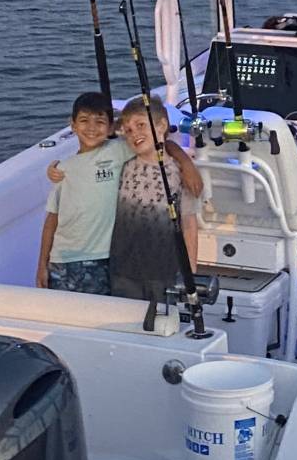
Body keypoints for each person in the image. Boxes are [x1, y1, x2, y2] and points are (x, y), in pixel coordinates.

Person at [36, 92, 200, 294]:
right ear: (73, 125)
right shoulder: (65, 168)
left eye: (100, 121)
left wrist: (186, 163)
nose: (92, 128)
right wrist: (41, 264)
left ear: (111, 127)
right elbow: (52, 218)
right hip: (81, 263)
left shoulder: (121, 152)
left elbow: (161, 143)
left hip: (128, 263)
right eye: (84, 121)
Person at [109, 96, 200, 302]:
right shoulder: (123, 159)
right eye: (129, 130)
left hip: (165, 271)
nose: (135, 134)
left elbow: (189, 223)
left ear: (162, 126)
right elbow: (104, 134)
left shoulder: (180, 172)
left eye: (141, 125)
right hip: (123, 269)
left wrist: (190, 272)